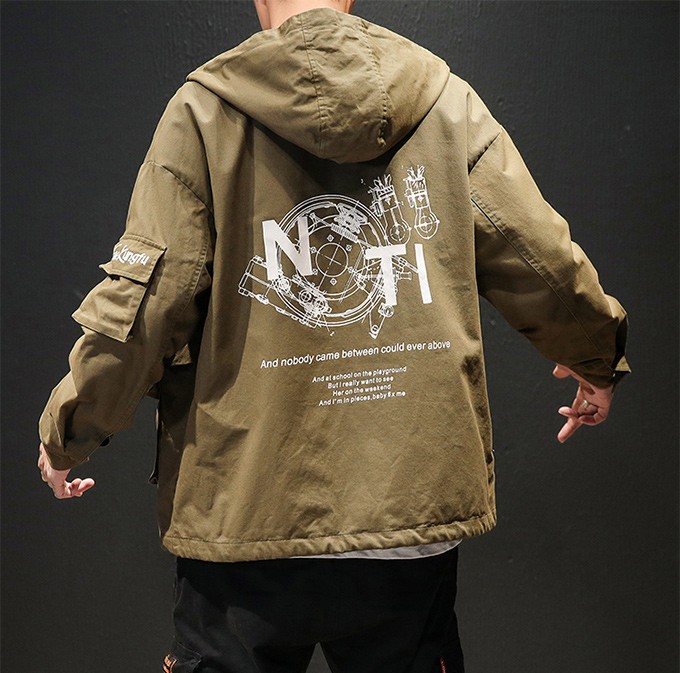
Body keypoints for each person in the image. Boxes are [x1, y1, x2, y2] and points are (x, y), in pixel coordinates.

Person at [37, 0, 630, 671]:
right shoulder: (444, 101)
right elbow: (539, 257)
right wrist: (595, 355)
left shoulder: (202, 114)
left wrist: (70, 429)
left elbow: (148, 299)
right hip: (404, 509)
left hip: (245, 513)